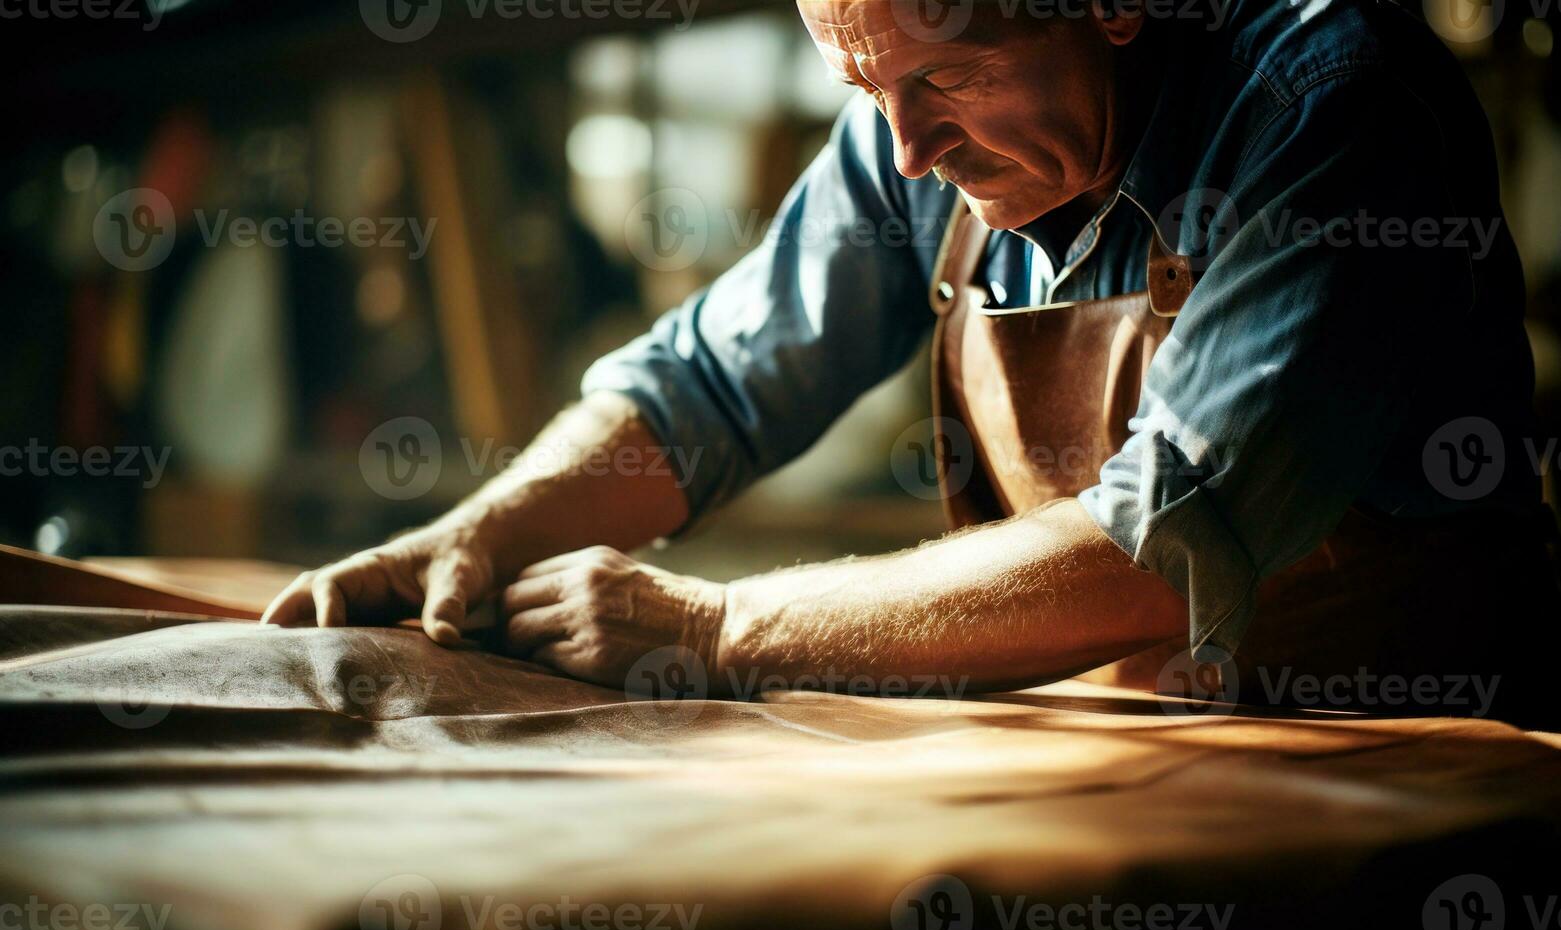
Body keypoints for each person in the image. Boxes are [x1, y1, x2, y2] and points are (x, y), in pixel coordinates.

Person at [266, 1, 1558, 719]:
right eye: (860, 88)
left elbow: (1162, 539)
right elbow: (709, 387)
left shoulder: (1326, 99)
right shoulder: (907, 123)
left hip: (1410, 755)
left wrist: (718, 626)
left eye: (949, 79)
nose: (904, 156)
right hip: (1109, 735)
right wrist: (481, 532)